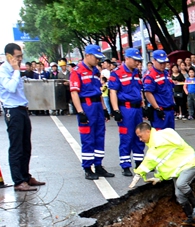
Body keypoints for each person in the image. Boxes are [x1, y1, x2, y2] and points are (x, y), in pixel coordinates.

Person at [0, 44, 44, 192]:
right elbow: (10, 87)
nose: (20, 59)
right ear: (9, 56)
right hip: (12, 110)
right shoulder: (2, 71)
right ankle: (18, 181)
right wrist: (16, 71)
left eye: (21, 56)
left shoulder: (14, 70)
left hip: (22, 109)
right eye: (17, 57)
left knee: (26, 146)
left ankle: (25, 176)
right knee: (16, 147)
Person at [132, 122, 195, 223]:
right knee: (179, 195)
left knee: (181, 184)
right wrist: (159, 177)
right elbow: (162, 163)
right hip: (179, 170)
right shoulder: (154, 145)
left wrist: (139, 172)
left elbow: (150, 160)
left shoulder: (159, 140)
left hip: (190, 164)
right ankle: (191, 218)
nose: (140, 139)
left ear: (148, 131)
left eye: (140, 136)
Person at [70, 44, 113, 180]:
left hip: (97, 107)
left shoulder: (95, 71)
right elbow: (74, 93)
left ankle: (98, 165)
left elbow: (99, 92)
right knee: (88, 139)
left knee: (100, 136)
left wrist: (105, 109)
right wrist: (80, 112)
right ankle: (88, 168)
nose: (98, 60)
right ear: (87, 55)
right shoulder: (77, 71)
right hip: (86, 106)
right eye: (96, 57)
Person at [108, 48, 145, 177]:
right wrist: (116, 110)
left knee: (140, 136)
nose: (137, 63)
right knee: (127, 137)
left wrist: (143, 105)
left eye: (138, 61)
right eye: (135, 60)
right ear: (127, 58)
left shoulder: (136, 72)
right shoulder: (117, 73)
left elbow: (139, 91)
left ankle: (139, 163)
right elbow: (113, 92)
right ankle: (125, 165)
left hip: (137, 108)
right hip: (126, 109)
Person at [143, 50, 176, 130]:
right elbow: (148, 93)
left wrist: (173, 103)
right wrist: (157, 108)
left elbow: (169, 90)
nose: (163, 65)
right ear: (153, 61)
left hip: (169, 110)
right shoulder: (150, 75)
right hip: (159, 111)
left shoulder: (166, 73)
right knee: (161, 138)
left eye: (164, 63)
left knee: (171, 136)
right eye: (160, 63)